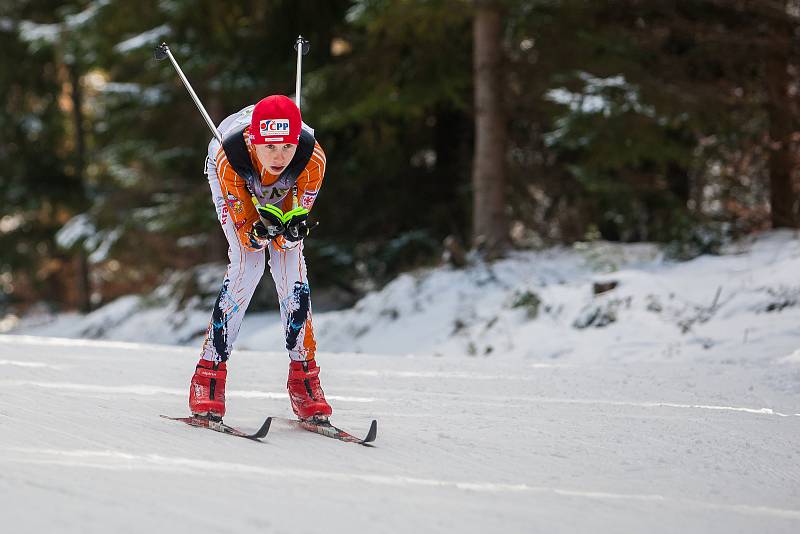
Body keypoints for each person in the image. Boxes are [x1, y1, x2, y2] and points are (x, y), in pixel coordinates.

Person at [188, 94, 332, 422]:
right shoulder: (231, 156)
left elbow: (286, 238)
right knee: (247, 265)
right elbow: (248, 238)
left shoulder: (312, 160)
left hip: (287, 186)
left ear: (297, 141)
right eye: (270, 147)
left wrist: (289, 231)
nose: (279, 156)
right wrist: (256, 233)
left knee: (290, 263)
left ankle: (304, 377)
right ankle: (208, 373)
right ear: (255, 140)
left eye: (286, 147)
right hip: (237, 176)